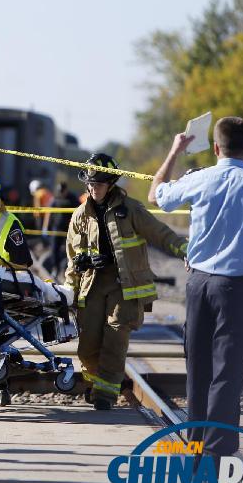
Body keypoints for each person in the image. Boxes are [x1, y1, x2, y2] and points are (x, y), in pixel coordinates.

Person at [149, 117, 243, 459]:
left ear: (215, 147)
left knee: (197, 368)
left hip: (198, 285)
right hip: (236, 289)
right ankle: (217, 452)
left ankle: (195, 446)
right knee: (227, 372)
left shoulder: (199, 179)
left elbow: (155, 195)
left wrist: (175, 150)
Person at [66, 153, 188, 410]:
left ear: (110, 183)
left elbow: (161, 234)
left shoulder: (130, 209)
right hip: (92, 285)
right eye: (90, 183)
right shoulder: (79, 215)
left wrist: (187, 251)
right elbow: (72, 257)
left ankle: (105, 396)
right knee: (87, 346)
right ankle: (95, 384)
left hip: (125, 285)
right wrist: (73, 283)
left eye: (98, 183)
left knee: (115, 336)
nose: (93, 188)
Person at [45, 182, 81, 279]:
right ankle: (55, 269)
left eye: (62, 191)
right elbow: (49, 213)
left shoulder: (73, 198)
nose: (61, 193)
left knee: (69, 251)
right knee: (54, 249)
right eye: (59, 191)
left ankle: (67, 270)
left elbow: (79, 212)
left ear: (66, 190)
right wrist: (46, 227)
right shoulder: (55, 198)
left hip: (69, 230)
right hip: (56, 228)